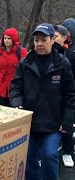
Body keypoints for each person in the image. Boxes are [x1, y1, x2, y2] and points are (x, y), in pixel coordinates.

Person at [9, 23, 75, 180]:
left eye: (43, 39)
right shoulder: (25, 63)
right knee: (29, 158)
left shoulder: (62, 64)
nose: (39, 43)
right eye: (36, 40)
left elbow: (71, 94)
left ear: (52, 40)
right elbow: (15, 87)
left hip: (52, 124)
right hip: (29, 123)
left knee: (48, 156)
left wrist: (67, 121)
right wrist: (16, 102)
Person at [53, 24, 75, 168]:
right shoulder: (49, 51)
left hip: (68, 92)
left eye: (56, 37)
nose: (52, 39)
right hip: (52, 95)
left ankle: (67, 152)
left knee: (67, 123)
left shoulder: (71, 52)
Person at [0, 28, 27, 106]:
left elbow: (25, 71)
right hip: (1, 87)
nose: (6, 40)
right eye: (5, 38)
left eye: (9, 38)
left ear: (13, 39)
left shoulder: (21, 51)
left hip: (15, 86)